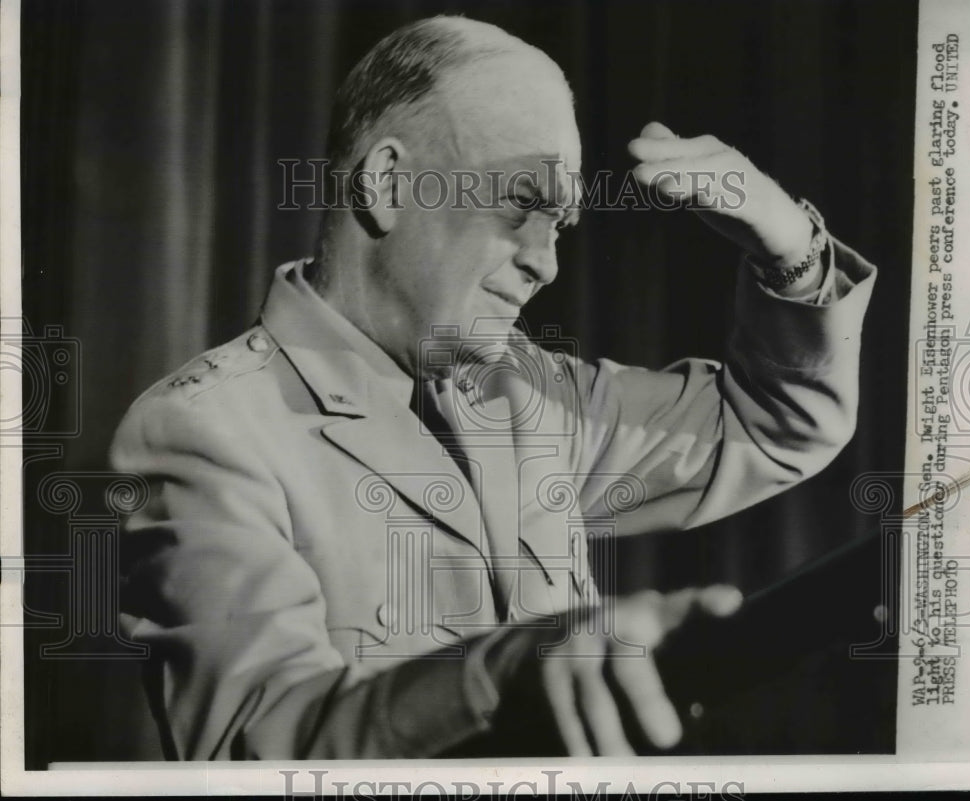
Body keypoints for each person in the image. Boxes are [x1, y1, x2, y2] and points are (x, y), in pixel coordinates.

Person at [110, 16, 876, 760]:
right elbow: (260, 748)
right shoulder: (204, 430)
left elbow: (773, 425)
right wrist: (508, 673)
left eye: (561, 225)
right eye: (522, 206)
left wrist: (794, 252)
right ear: (386, 183)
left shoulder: (527, 395)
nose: (547, 263)